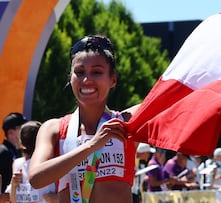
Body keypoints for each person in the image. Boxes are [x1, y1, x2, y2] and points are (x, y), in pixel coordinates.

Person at [29, 35, 139, 203]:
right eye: (79, 72)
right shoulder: (53, 128)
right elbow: (36, 178)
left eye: (97, 72)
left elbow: (170, 97)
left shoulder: (126, 122)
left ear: (113, 79)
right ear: (70, 77)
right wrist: (92, 146)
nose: (87, 80)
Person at [6, 121, 57, 203]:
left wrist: (56, 199)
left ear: (21, 142)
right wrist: (14, 185)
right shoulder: (18, 164)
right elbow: (12, 200)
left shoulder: (51, 163)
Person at [0, 112, 27, 200]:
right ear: (11, 132)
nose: (25, 131)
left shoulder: (19, 152)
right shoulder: (2, 152)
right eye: (22, 128)